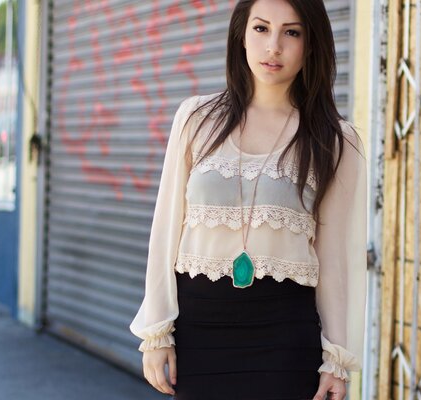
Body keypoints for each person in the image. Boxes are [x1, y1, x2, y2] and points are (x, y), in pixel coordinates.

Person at [129, 0, 367, 398]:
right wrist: (157, 334)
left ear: (311, 45)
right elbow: (165, 231)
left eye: (291, 32)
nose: (273, 46)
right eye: (261, 29)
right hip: (199, 333)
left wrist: (336, 361)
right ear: (241, 35)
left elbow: (336, 262)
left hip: (285, 339)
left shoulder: (335, 140)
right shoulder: (196, 119)